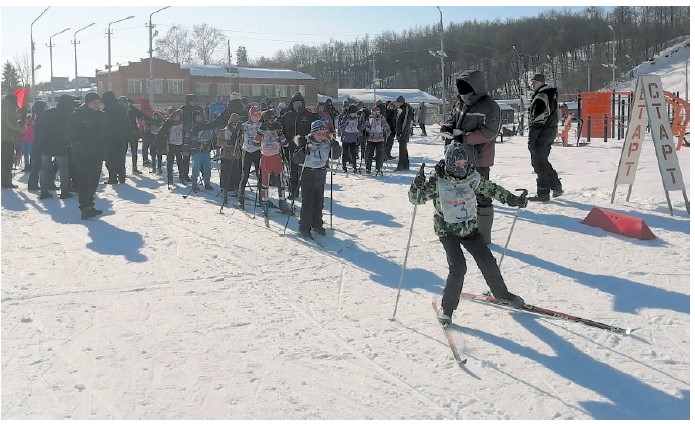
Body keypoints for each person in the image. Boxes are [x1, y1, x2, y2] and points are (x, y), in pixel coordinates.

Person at [409, 142, 528, 325]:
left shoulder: (472, 177)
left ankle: (502, 295)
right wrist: (416, 187)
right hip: (447, 230)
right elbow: (416, 199)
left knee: (487, 261)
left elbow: (491, 188)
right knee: (458, 267)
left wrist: (511, 199)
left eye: (464, 164)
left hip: (469, 229)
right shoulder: (438, 181)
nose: (461, 168)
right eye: (457, 164)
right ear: (449, 163)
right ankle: (447, 310)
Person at [440, 70, 501, 245]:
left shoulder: (490, 106)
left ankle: (483, 236)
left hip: (480, 158)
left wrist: (466, 137)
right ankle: (461, 230)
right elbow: (453, 119)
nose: (463, 97)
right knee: (459, 195)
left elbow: (490, 132)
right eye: (461, 93)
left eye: (466, 93)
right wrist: (447, 128)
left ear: (476, 90)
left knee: (482, 194)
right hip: (458, 158)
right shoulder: (460, 102)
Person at [292, 120, 342, 239]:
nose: (321, 136)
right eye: (318, 134)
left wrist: (335, 146)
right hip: (307, 174)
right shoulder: (305, 141)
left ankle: (317, 224)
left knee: (319, 203)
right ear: (313, 133)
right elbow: (295, 159)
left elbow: (335, 156)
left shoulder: (327, 142)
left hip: (320, 174)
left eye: (323, 133)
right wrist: (303, 151)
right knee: (308, 203)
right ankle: (304, 227)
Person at [65, 93, 110, 219]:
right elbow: (69, 134)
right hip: (82, 154)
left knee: (94, 180)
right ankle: (85, 207)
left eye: (98, 102)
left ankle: (89, 205)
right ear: (87, 102)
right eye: (94, 102)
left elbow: (106, 134)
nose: (97, 104)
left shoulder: (102, 115)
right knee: (85, 180)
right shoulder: (77, 115)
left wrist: (106, 149)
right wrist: (79, 144)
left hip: (97, 153)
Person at [527, 73, 563, 201]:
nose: (533, 85)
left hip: (541, 133)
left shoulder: (541, 96)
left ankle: (543, 193)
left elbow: (537, 120)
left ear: (541, 83)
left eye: (535, 82)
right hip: (548, 132)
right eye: (531, 83)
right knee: (542, 160)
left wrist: (532, 139)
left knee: (538, 162)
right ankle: (556, 186)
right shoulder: (548, 94)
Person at [280, 92, 318, 200]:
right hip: (291, 147)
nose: (297, 104)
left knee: (306, 171)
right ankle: (293, 192)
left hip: (305, 146)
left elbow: (314, 129)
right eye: (295, 102)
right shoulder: (287, 116)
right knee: (293, 170)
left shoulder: (308, 115)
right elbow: (281, 130)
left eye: (299, 102)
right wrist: (283, 142)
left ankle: (307, 192)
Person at [37, 95, 75, 200]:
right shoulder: (69, 115)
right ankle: (64, 192)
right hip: (61, 144)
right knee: (63, 169)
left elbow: (41, 127)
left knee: (44, 169)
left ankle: (43, 192)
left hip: (46, 144)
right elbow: (70, 130)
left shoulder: (48, 112)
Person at [256, 109, 292, 216]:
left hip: (276, 157)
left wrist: (281, 133)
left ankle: (282, 202)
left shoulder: (277, 128)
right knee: (265, 183)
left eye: (274, 119)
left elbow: (285, 144)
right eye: (270, 119)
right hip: (266, 158)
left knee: (281, 183)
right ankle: (265, 203)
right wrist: (259, 132)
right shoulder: (262, 128)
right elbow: (255, 142)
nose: (272, 121)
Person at [236, 106, 263, 208]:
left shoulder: (262, 126)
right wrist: (237, 129)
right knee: (245, 175)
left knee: (260, 175)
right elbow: (236, 136)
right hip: (247, 151)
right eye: (254, 115)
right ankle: (241, 198)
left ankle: (262, 198)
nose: (256, 117)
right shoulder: (244, 126)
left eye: (258, 115)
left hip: (258, 151)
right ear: (250, 116)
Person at [101, 91, 130, 184]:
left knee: (110, 159)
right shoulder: (121, 108)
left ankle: (112, 178)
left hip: (110, 138)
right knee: (121, 158)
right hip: (122, 137)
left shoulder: (106, 109)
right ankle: (122, 177)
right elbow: (126, 123)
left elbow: (105, 125)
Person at [188, 110, 216, 191]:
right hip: (197, 150)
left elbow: (211, 136)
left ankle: (207, 183)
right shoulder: (193, 127)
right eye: (197, 117)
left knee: (207, 167)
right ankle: (194, 184)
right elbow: (191, 138)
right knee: (196, 167)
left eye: (200, 117)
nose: (199, 119)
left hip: (206, 150)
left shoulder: (207, 125)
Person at [1, 94, 24, 188]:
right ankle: (7, 182)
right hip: (7, 138)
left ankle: (3, 181)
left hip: (3, 138)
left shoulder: (3, 106)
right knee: (8, 162)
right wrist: (19, 127)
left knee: (3, 162)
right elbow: (9, 123)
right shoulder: (10, 107)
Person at [27, 100, 47, 191]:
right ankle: (33, 184)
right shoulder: (41, 117)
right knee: (37, 165)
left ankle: (33, 183)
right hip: (39, 143)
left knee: (36, 164)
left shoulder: (34, 115)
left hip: (34, 142)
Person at [365, 105, 390, 175]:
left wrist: (387, 130)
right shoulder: (370, 118)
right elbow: (367, 126)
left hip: (379, 139)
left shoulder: (381, 118)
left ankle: (378, 168)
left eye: (376, 113)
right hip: (371, 139)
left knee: (379, 154)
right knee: (370, 154)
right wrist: (367, 129)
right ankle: (368, 168)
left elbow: (385, 124)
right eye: (373, 113)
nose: (375, 114)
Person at [337, 104, 362, 173]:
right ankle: (344, 165)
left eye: (355, 113)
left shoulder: (357, 118)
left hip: (353, 138)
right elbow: (341, 127)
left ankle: (354, 166)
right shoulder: (345, 118)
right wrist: (345, 124)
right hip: (346, 138)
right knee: (345, 152)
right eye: (353, 113)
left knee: (353, 153)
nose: (354, 114)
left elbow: (359, 127)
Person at [393, 95, 414, 171]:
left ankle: (401, 165)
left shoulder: (406, 108)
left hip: (404, 132)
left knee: (402, 149)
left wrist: (401, 132)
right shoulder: (400, 109)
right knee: (403, 149)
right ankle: (405, 165)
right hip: (400, 132)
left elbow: (405, 122)